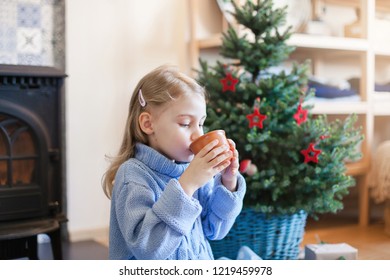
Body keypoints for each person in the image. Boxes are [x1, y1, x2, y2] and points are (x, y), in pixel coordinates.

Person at [102, 64, 246, 260]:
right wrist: (187, 185)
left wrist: (229, 182)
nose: (198, 134)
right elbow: (148, 249)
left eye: (201, 123)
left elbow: (215, 230)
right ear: (148, 124)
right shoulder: (133, 176)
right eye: (186, 124)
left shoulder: (193, 169)